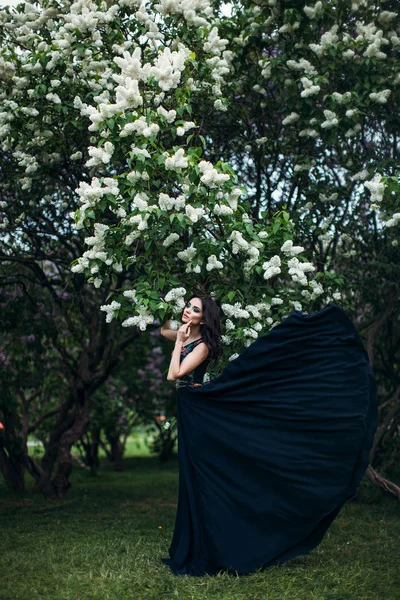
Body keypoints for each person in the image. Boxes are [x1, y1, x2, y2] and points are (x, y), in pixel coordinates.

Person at [160, 294, 378, 577]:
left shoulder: (200, 346)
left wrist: (178, 342)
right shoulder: (185, 333)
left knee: (205, 476)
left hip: (199, 410)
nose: (188, 310)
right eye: (187, 306)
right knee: (191, 477)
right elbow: (163, 327)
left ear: (205, 318)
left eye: (195, 309)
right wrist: (165, 303)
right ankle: (195, 544)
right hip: (190, 411)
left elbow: (174, 374)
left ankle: (225, 546)